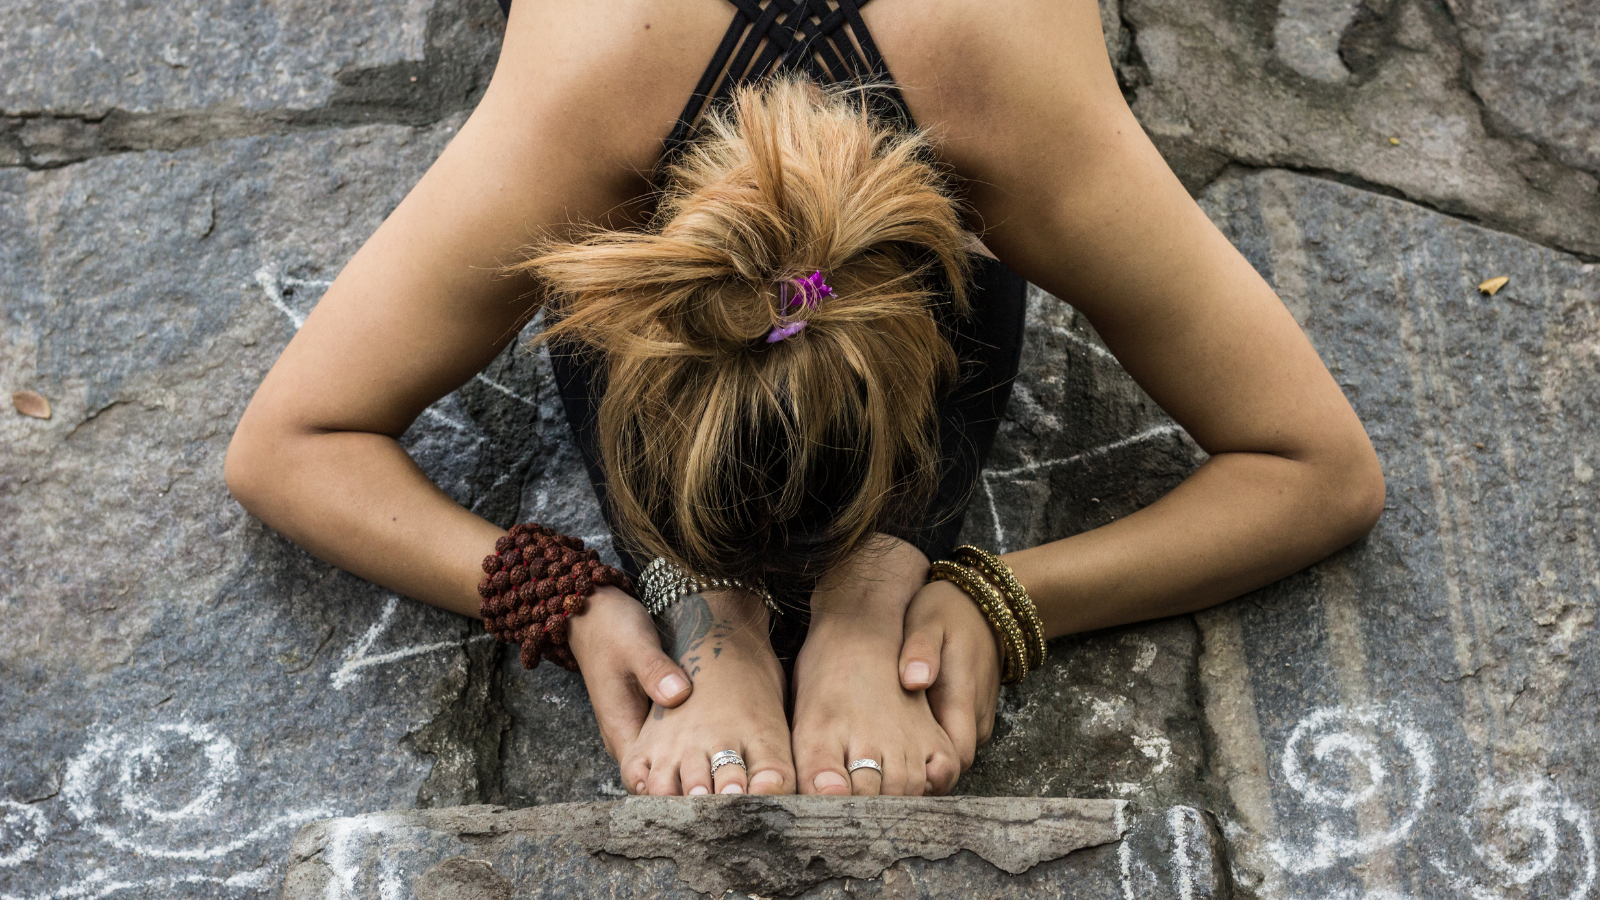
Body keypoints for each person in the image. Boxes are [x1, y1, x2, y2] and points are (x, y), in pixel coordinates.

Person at [225, 0, 1384, 799]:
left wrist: (980, 600)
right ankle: (704, 593)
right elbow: (286, 446)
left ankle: (865, 585)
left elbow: (1318, 472)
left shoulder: (1014, 111)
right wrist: (579, 603)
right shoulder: (578, 112)